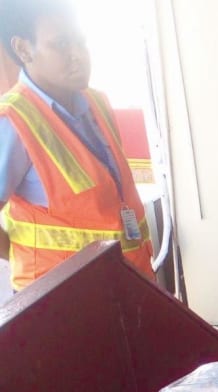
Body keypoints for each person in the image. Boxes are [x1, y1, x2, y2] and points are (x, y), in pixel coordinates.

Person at [0, 0, 155, 292]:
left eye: (80, 41)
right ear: (23, 49)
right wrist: (30, 256)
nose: (79, 55)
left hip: (129, 285)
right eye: (61, 45)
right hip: (65, 303)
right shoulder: (12, 121)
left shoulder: (96, 103)